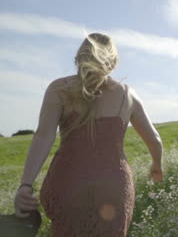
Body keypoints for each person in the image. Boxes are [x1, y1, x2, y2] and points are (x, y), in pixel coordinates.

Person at [13, 33, 164, 236]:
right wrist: (156, 164)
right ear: (114, 62)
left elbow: (43, 136)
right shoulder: (128, 94)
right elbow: (155, 140)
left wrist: (26, 185)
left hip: (68, 184)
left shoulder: (59, 88)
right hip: (114, 186)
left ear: (78, 57)